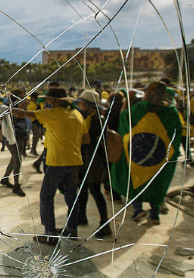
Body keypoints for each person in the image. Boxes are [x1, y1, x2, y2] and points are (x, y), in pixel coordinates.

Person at [12, 87, 90, 243]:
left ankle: (50, 234)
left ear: (55, 100)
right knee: (71, 197)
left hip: (57, 162)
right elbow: (86, 140)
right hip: (75, 161)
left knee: (46, 196)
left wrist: (4, 108)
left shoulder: (53, 113)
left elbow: (23, 114)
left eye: (48, 99)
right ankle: (71, 230)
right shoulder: (76, 114)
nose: (46, 101)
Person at [110, 81, 182, 225]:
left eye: (147, 91)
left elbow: (124, 118)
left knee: (135, 180)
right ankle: (154, 214)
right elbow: (176, 135)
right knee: (157, 182)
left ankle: (138, 210)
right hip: (159, 157)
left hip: (138, 154)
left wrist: (128, 101)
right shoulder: (171, 112)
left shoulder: (140, 108)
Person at [75, 90, 112, 238]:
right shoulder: (91, 117)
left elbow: (88, 140)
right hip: (88, 158)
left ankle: (105, 224)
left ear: (88, 105)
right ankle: (82, 216)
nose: (78, 105)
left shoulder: (96, 120)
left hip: (93, 160)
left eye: (81, 103)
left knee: (95, 190)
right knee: (83, 188)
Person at [0, 90, 30, 196]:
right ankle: (16, 185)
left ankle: (5, 178)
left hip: (21, 136)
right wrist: (20, 109)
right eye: (21, 97)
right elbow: (9, 121)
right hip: (12, 137)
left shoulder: (21, 106)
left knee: (14, 160)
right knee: (18, 160)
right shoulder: (9, 107)